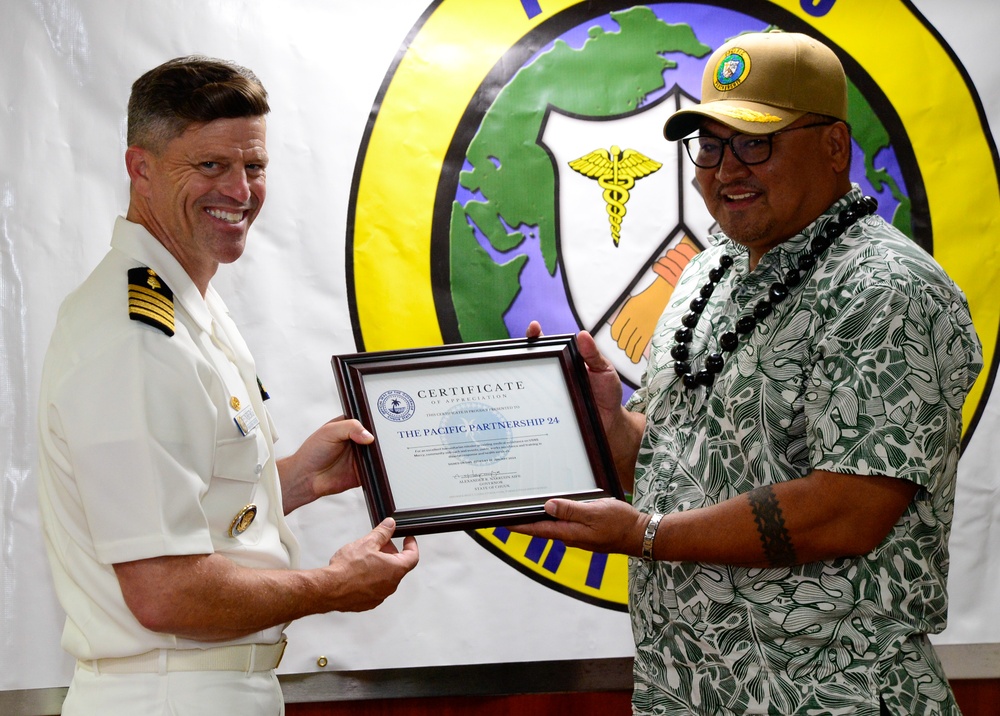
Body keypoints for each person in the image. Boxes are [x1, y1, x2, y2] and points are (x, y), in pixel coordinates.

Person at [513, 31, 982, 716]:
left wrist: (645, 534)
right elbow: (691, 462)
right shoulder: (712, 267)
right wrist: (608, 426)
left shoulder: (887, 286)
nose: (725, 168)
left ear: (833, 148)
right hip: (691, 691)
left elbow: (847, 510)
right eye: (710, 144)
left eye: (755, 142)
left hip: (831, 695)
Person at [36, 56, 419, 715]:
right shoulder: (137, 336)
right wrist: (331, 586)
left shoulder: (185, 308)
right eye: (211, 166)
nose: (240, 191)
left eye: (255, 166)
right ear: (141, 169)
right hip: (169, 693)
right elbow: (165, 591)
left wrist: (297, 477)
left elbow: (196, 508)